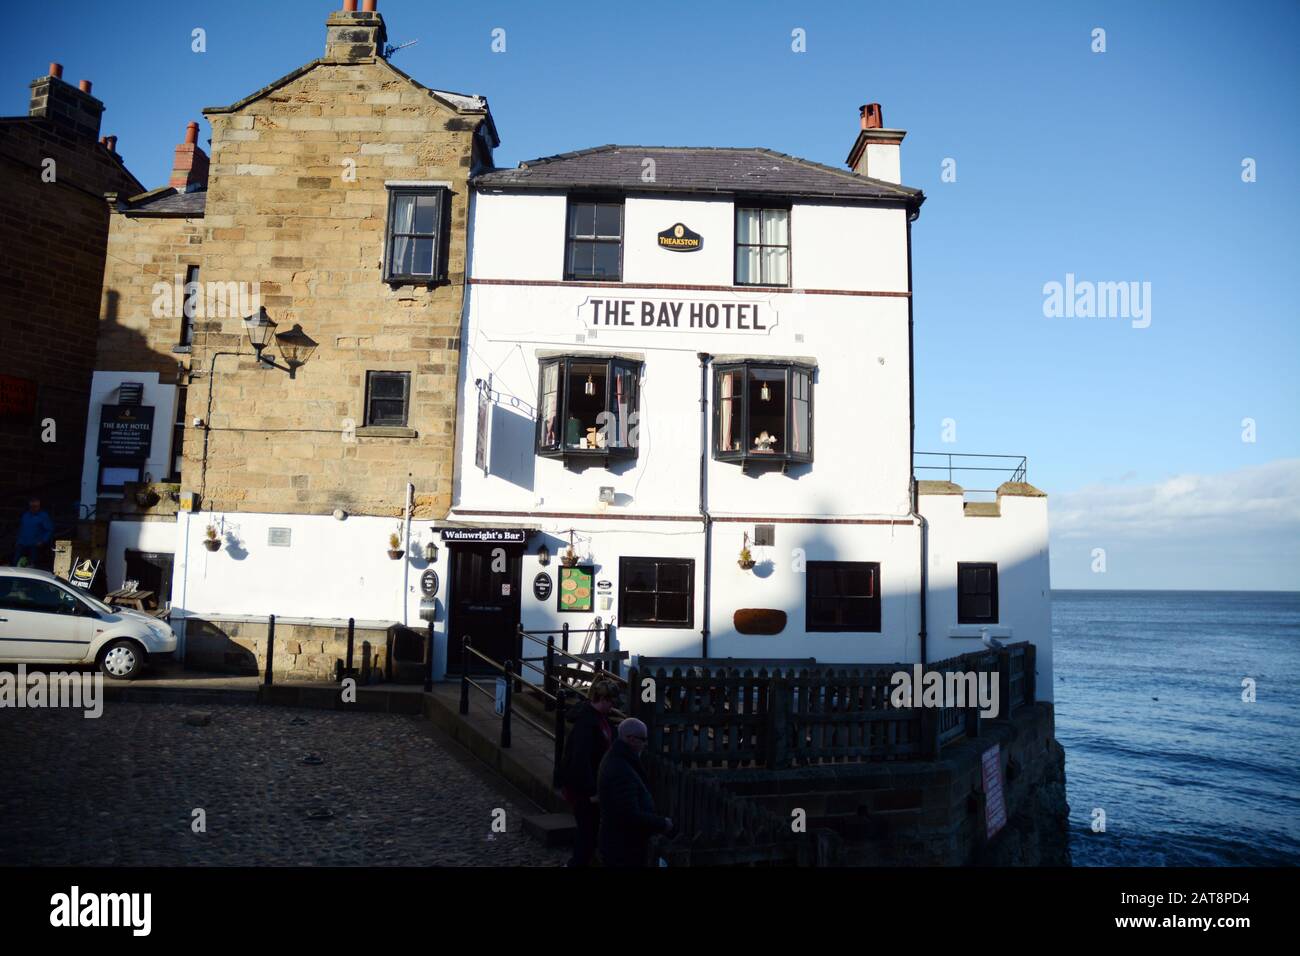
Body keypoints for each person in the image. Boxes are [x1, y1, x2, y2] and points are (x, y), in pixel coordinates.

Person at [557, 678, 617, 866]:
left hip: (590, 786)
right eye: (612, 701)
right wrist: (592, 792)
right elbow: (580, 759)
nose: (613, 706)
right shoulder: (587, 723)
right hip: (584, 790)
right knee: (587, 833)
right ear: (603, 699)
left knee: (589, 833)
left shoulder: (599, 719)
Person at [597, 717, 672, 867]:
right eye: (643, 739)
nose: (645, 744)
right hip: (623, 846)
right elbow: (629, 814)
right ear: (631, 739)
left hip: (619, 842)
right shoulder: (621, 769)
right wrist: (661, 823)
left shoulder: (617, 758)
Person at [13, 497, 53, 568]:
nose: (33, 508)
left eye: (35, 506)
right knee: (16, 561)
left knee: (32, 564)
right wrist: (18, 540)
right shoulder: (25, 515)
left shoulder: (43, 516)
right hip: (22, 543)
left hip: (34, 544)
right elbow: (21, 528)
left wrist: (43, 541)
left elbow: (49, 530)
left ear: (39, 507)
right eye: (31, 506)